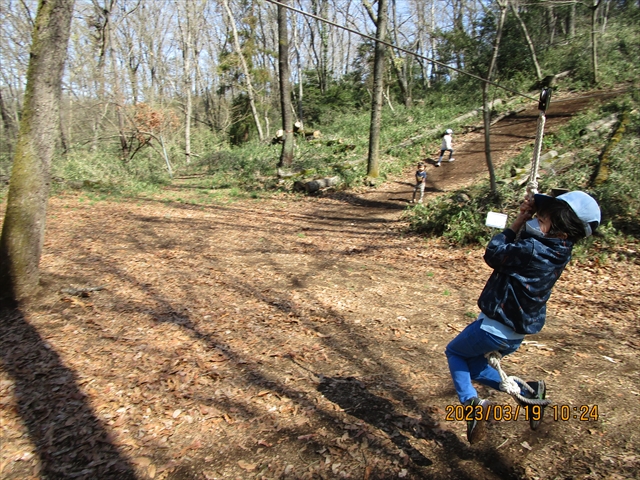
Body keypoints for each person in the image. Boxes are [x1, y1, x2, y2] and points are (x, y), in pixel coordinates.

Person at [444, 191, 601, 444]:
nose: (533, 221)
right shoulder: (561, 251)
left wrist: (516, 223)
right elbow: (537, 241)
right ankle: (530, 392)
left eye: (540, 219)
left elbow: (494, 253)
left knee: (455, 353)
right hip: (514, 335)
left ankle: (471, 404)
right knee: (473, 366)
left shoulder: (530, 248)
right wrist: (533, 211)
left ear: (561, 231)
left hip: (493, 328)